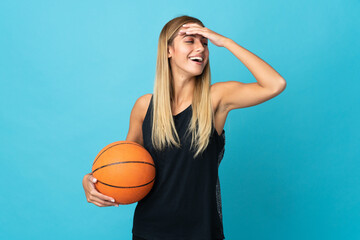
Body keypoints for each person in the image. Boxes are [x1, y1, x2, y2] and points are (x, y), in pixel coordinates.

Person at [82, 15, 286, 240]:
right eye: (190, 40)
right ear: (168, 50)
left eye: (205, 43)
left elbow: (275, 84)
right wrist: (92, 181)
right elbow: (123, 166)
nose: (200, 48)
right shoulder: (144, 107)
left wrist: (226, 42)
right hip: (149, 232)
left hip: (202, 233)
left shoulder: (215, 99)